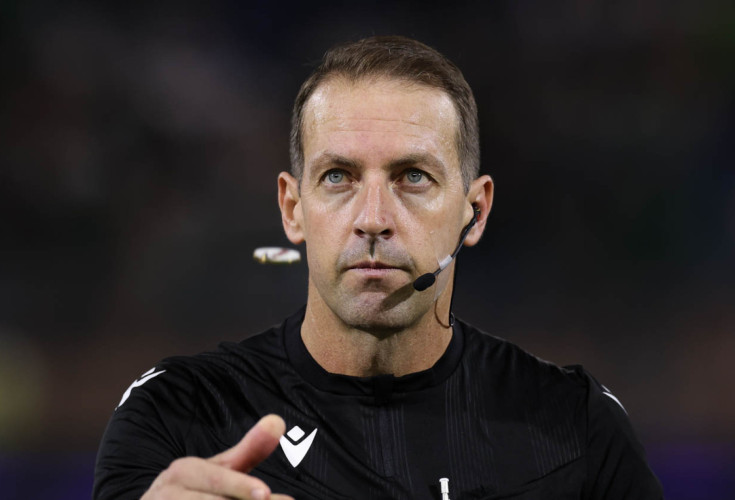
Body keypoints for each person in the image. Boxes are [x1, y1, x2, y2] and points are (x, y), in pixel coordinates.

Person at [93, 36, 663, 500]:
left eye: (413, 176)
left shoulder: (574, 427)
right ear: (293, 209)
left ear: (475, 211)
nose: (372, 218)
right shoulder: (179, 417)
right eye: (338, 176)